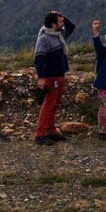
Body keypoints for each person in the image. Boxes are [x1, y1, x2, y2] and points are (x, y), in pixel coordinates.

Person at [33, 11, 74, 145]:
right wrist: (41, 77)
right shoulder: (44, 38)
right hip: (51, 76)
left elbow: (71, 27)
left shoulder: (59, 35)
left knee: (54, 104)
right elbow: (39, 58)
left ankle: (50, 130)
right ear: (53, 24)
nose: (62, 24)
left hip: (59, 74)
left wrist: (62, 16)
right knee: (48, 105)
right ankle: (41, 133)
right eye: (60, 22)